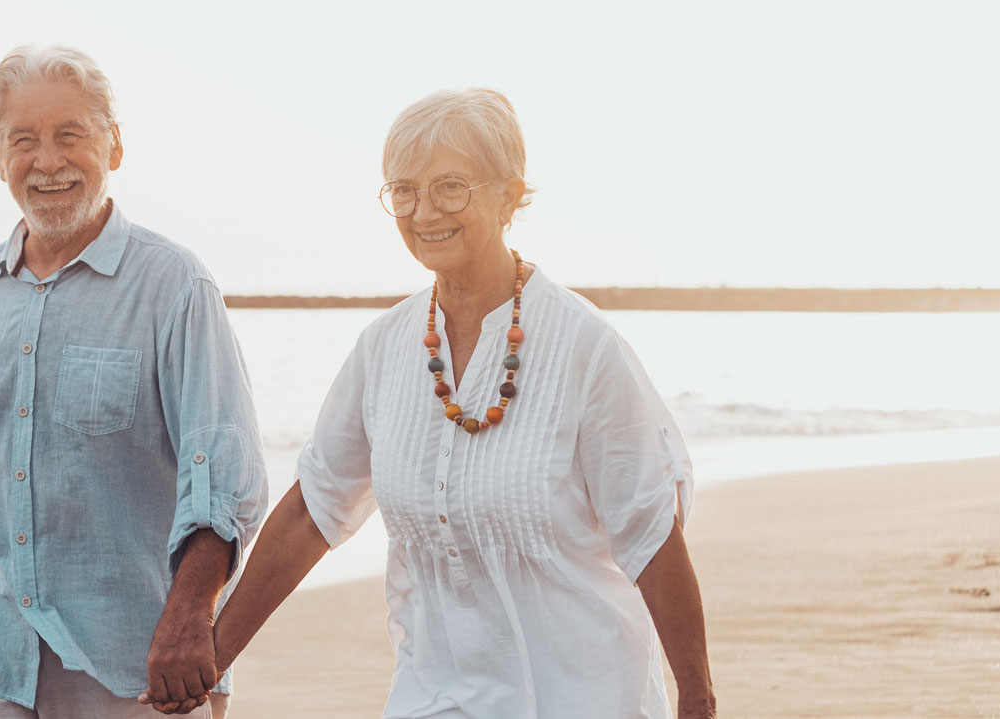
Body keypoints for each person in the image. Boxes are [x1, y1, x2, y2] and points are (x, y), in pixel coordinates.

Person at [146, 88, 714, 717]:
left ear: (507, 195)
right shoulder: (385, 349)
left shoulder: (586, 348)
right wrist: (210, 659)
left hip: (583, 697)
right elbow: (313, 512)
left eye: (450, 187)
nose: (423, 212)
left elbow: (651, 534)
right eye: (405, 191)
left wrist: (697, 697)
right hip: (435, 697)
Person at [0, 44, 268, 719]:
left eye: (69, 135)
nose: (47, 161)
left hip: (135, 658)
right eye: (24, 140)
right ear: (0, 158)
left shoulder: (174, 285)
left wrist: (191, 614)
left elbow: (221, 469)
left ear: (113, 146)